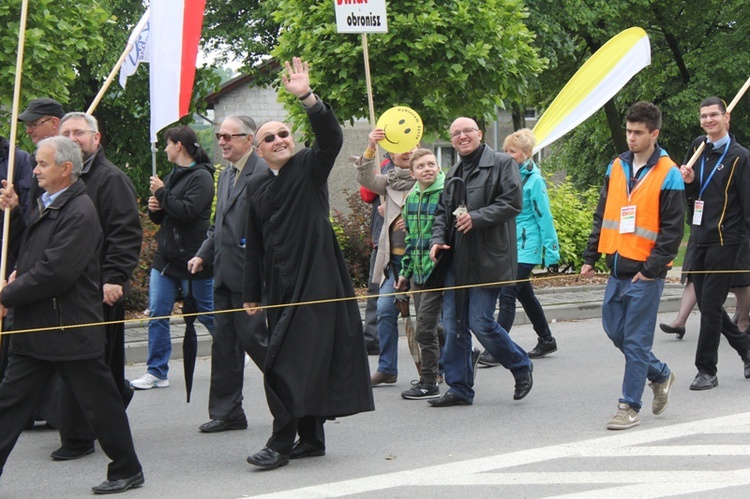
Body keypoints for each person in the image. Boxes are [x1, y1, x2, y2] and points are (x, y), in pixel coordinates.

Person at [242, 57, 374, 470]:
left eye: (284, 133)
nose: (280, 139)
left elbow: (331, 138)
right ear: (258, 150)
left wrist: (308, 98)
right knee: (301, 360)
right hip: (279, 287)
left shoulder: (309, 167)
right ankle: (311, 439)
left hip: (317, 283)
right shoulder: (256, 186)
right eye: (270, 137)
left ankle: (280, 442)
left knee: (286, 362)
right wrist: (251, 293)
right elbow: (255, 245)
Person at [0, 136, 144, 494]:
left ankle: (126, 468)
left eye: (42, 164)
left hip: (68, 328)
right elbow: (32, 250)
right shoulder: (50, 203)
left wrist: (6, 296)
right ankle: (127, 467)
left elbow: (55, 271)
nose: (34, 171)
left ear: (66, 169)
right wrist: (16, 214)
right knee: (8, 405)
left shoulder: (79, 211)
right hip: (37, 327)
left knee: (101, 405)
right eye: (36, 163)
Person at [26, 112, 142, 461]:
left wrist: (115, 277)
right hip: (60, 290)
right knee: (81, 371)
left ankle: (85, 437)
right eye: (67, 132)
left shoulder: (110, 179)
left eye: (80, 132)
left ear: (96, 138)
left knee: (93, 369)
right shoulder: (50, 181)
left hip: (98, 289)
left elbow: (125, 233)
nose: (73, 137)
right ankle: (86, 428)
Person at [581, 101, 683, 430]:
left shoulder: (669, 173)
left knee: (636, 342)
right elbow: (603, 213)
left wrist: (651, 269)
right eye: (628, 131)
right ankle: (661, 374)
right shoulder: (617, 165)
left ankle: (628, 406)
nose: (631, 138)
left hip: (645, 273)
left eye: (638, 132)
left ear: (654, 134)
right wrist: (590, 256)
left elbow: (672, 230)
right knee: (616, 333)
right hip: (616, 266)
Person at [428, 117, 533, 407]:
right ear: (452, 140)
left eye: (467, 131)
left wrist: (477, 217)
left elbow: (512, 203)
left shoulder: (502, 163)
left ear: (479, 134)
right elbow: (442, 212)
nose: (462, 137)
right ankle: (460, 387)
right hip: (456, 258)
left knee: (480, 321)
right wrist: (437, 239)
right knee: (454, 324)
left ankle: (520, 364)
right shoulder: (453, 172)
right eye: (456, 133)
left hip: (489, 257)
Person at [188, 115, 268, 433]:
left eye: (229, 136)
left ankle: (297, 400)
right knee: (224, 345)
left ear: (249, 139)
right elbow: (218, 225)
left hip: (250, 278)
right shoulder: (225, 175)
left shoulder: (262, 173)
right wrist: (203, 255)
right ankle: (228, 412)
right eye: (220, 135)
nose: (222, 141)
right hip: (222, 274)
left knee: (258, 343)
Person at [132, 126, 215, 390]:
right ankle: (156, 371)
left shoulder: (201, 177)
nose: (165, 149)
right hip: (165, 259)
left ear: (178, 145)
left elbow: (188, 211)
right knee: (158, 312)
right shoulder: (172, 175)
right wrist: (155, 208)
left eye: (167, 144)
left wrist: (161, 194)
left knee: (207, 312)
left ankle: (235, 348)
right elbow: (166, 216)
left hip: (194, 259)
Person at [679, 96, 750, 390]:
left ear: (726, 118)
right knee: (710, 305)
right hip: (698, 237)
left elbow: (746, 203)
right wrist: (690, 181)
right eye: (704, 116)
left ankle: (706, 370)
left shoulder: (740, 156)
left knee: (710, 308)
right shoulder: (699, 147)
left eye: (713, 116)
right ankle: (746, 349)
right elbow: (694, 193)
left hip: (726, 240)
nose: (708, 120)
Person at [478, 129, 560, 367]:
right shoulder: (505, 176)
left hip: (527, 246)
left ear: (525, 154)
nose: (507, 155)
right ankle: (546, 339)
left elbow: (544, 217)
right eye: (505, 150)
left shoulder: (535, 181)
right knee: (525, 293)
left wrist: (551, 251)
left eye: (512, 152)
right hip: (508, 245)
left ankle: (497, 349)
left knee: (508, 293)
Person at [356, 129, 416, 386]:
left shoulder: (430, 178)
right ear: (390, 154)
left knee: (431, 318)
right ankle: (387, 368)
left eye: (411, 145)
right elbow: (365, 178)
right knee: (383, 310)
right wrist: (371, 146)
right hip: (393, 262)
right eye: (400, 147)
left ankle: (448, 364)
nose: (407, 151)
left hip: (423, 262)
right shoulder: (388, 180)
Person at [395, 149, 445, 399]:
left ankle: (429, 382)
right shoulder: (411, 198)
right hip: (418, 273)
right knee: (432, 326)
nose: (427, 169)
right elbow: (411, 239)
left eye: (431, 164)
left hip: (439, 271)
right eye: (421, 166)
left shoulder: (447, 191)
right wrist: (405, 272)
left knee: (424, 329)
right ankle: (463, 352)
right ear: (412, 173)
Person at [360, 156, 394, 356]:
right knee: (376, 289)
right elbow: (366, 193)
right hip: (382, 239)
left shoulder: (420, 163)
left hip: (412, 241)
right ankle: (372, 337)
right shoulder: (384, 164)